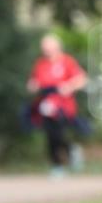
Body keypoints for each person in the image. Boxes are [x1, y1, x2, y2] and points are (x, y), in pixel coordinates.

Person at [27, 33, 88, 177]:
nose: (46, 50)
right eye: (44, 48)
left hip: (64, 106)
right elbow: (34, 81)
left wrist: (69, 86)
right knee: (50, 136)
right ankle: (57, 166)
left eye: (48, 47)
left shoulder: (67, 61)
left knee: (59, 135)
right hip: (46, 105)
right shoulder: (41, 64)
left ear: (57, 47)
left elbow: (82, 79)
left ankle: (71, 150)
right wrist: (33, 86)